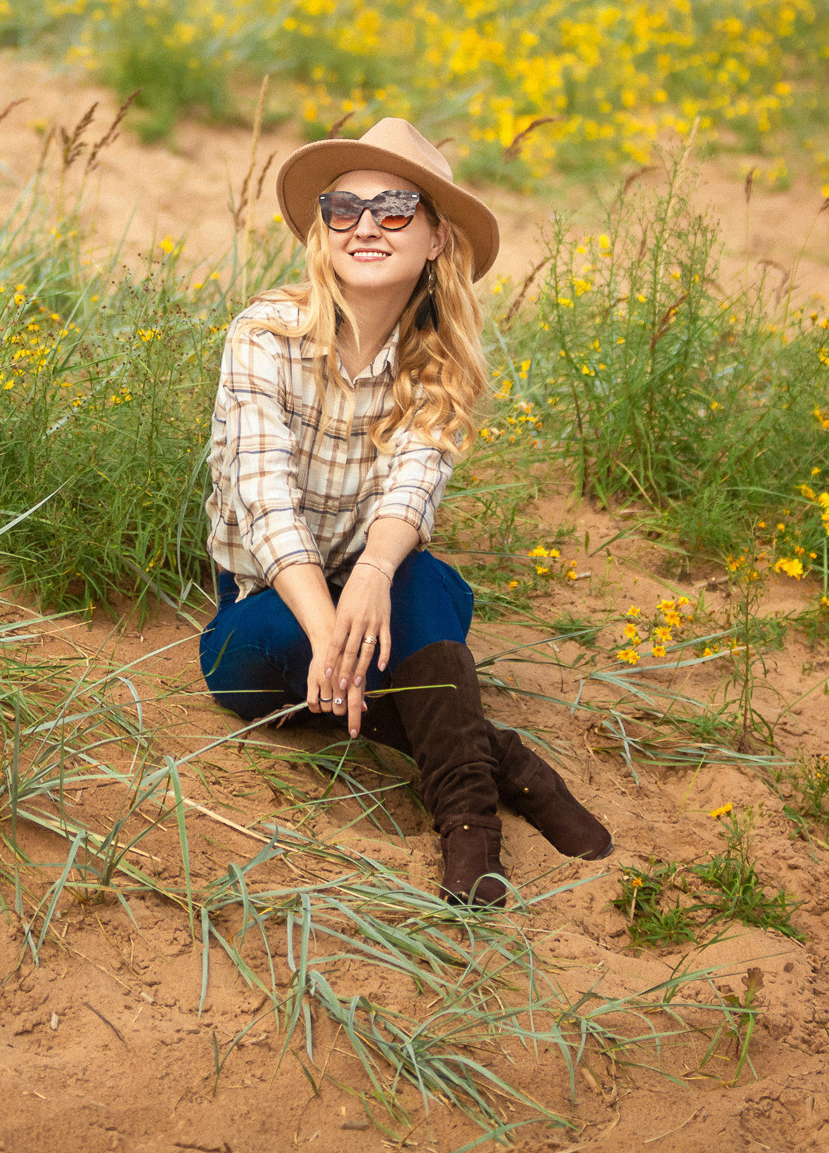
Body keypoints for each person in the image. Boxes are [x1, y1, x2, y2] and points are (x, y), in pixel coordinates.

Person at [198, 117, 613, 906]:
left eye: (393, 209)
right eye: (342, 209)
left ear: (434, 240)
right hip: (267, 599)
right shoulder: (264, 335)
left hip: (382, 586)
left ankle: (468, 825)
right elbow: (264, 495)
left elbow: (411, 489)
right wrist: (328, 633)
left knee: (422, 590)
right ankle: (502, 759)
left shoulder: (440, 359)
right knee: (240, 662)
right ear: (322, 231)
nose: (364, 226)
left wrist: (373, 574)